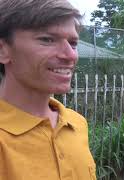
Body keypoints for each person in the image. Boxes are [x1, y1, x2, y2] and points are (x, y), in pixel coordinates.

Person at [0, 0, 96, 180]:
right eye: (47, 39)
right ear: (3, 50)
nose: (71, 55)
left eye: (73, 43)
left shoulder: (76, 124)